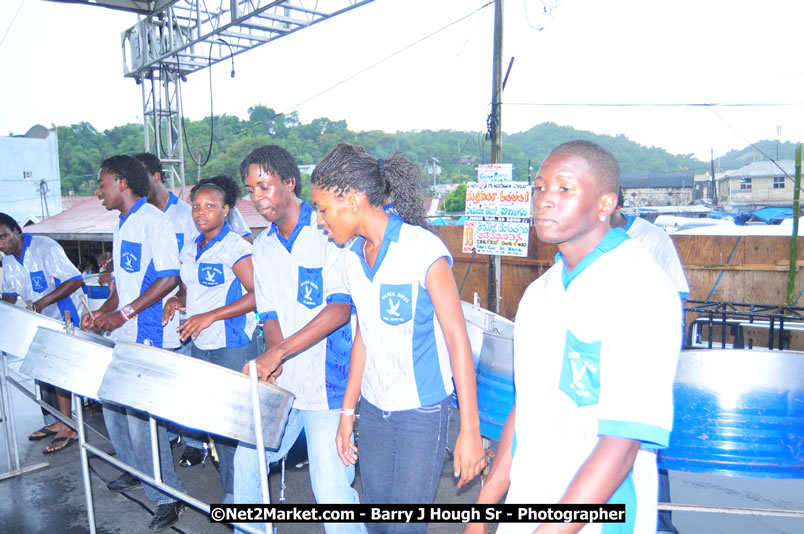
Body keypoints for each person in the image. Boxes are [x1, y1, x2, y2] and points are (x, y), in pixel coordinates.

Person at [465, 140, 680, 534]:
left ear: (604, 204)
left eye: (564, 188)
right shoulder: (538, 293)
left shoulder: (641, 288)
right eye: (540, 187)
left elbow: (622, 444)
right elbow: (527, 403)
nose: (544, 200)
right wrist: (484, 509)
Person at [310, 143, 485, 533]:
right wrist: (347, 413)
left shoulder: (423, 250)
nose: (319, 219)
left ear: (353, 201)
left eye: (322, 208)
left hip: (420, 414)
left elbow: (458, 340)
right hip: (373, 411)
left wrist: (470, 430)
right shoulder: (352, 257)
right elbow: (364, 338)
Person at [233, 145, 364, 534]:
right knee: (246, 463)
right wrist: (276, 361)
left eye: (265, 186)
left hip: (329, 386)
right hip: (285, 384)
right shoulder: (262, 247)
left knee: (330, 491)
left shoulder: (329, 231)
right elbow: (269, 313)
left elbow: (340, 308)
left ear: (289, 182)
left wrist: (278, 353)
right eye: (251, 190)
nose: (258, 198)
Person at [80, 154, 186, 532]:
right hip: (124, 333)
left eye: (102, 183)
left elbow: (169, 279)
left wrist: (122, 315)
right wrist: (101, 312)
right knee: (113, 409)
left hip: (146, 334)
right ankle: (134, 470)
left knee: (143, 421)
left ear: (123, 183)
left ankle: (166, 495)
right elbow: (122, 289)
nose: (98, 191)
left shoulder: (154, 222)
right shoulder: (122, 224)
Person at [161, 174, 258, 504]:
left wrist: (212, 315)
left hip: (231, 344)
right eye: (196, 206)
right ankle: (232, 489)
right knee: (215, 422)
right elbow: (193, 287)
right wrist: (179, 300)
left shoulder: (237, 248)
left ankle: (238, 498)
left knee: (233, 426)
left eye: (211, 206)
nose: (201, 212)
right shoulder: (192, 246)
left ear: (226, 209)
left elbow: (259, 294)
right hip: (201, 344)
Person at [611, 190, 688, 534]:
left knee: (648, 457)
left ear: (610, 202)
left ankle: (661, 526)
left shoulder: (652, 240)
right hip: (602, 371)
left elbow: (677, 302)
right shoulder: (576, 243)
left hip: (644, 371)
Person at [134, 151, 207, 462]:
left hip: (182, 310)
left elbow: (197, 262)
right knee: (160, 381)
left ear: (157, 177)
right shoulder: (139, 219)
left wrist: (182, 295)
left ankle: (196, 442)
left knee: (187, 380)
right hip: (149, 315)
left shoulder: (186, 215)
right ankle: (168, 436)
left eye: (141, 179)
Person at [0, 212, 86, 454]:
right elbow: (10, 294)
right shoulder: (7, 262)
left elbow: (74, 279)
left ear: (17, 231)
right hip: (38, 323)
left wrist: (41, 302)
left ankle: (69, 426)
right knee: (44, 374)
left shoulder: (44, 247)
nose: (1, 244)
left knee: (59, 373)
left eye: (4, 236)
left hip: (65, 318)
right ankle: (58, 421)